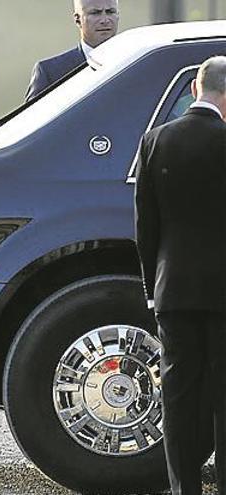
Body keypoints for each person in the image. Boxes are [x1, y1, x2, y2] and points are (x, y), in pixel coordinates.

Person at [134, 55, 226, 495]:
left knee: (178, 397)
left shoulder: (154, 141)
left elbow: (145, 228)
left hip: (174, 291)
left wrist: (153, 291)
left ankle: (183, 488)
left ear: (194, 88)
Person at [25, 0, 119, 101]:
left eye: (110, 12)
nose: (105, 20)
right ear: (78, 20)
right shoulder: (50, 73)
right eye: (95, 13)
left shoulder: (133, 60)